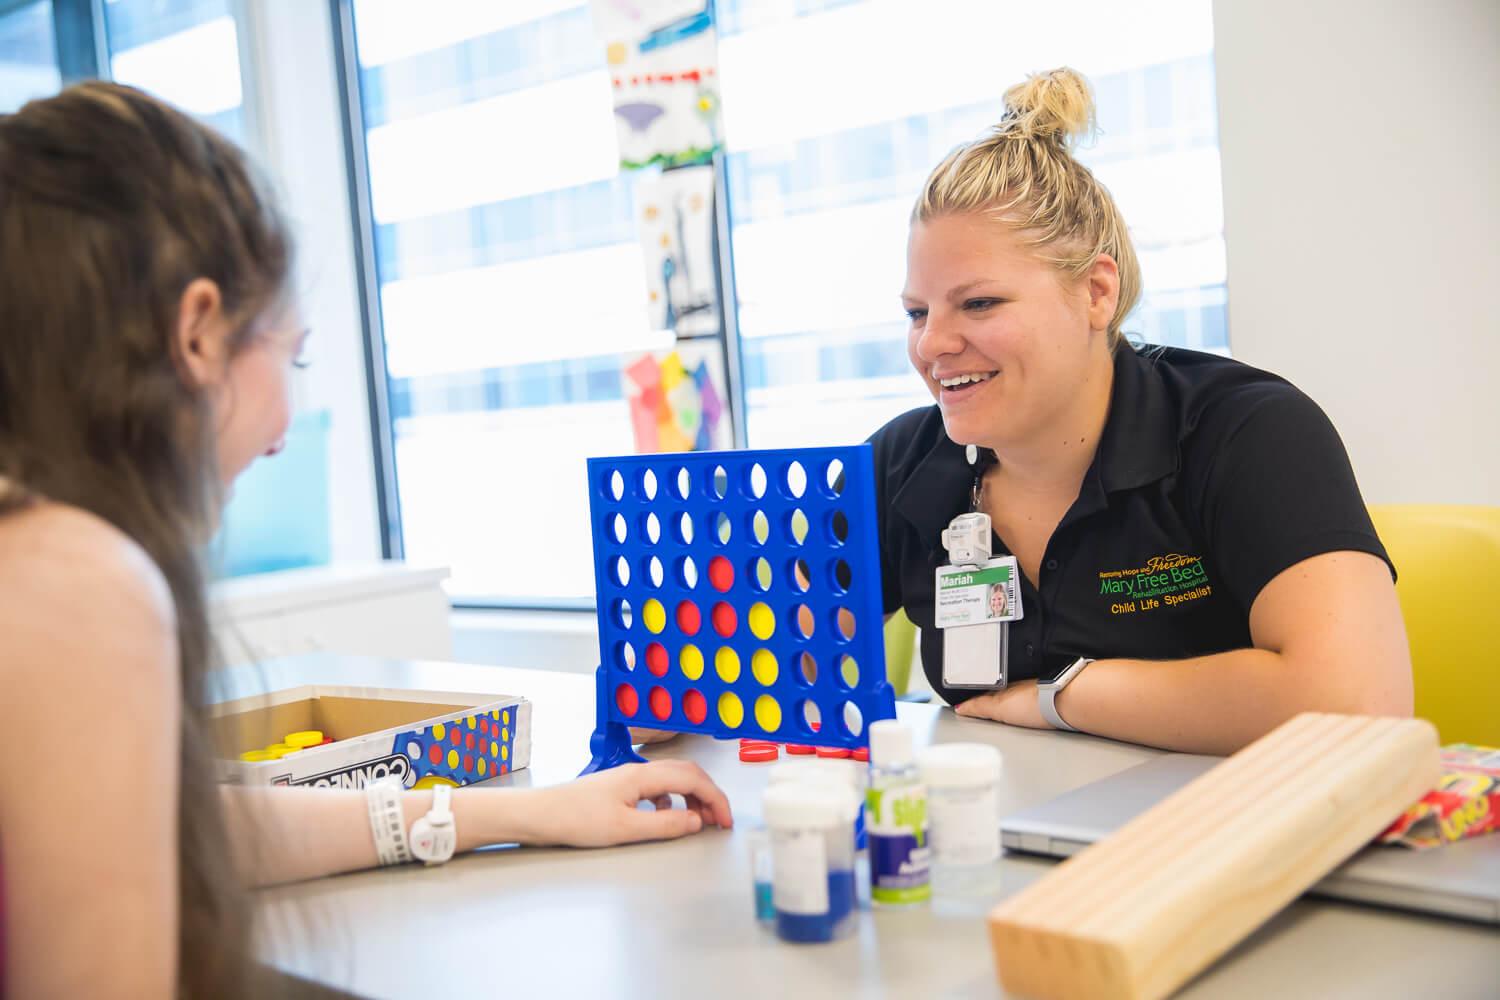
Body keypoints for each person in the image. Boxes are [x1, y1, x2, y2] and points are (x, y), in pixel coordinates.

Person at [0, 83, 731, 999]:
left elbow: (168, 826)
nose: (283, 428)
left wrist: (520, 812)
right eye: (292, 356)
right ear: (195, 334)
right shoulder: (76, 584)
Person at [872, 67, 1412, 755]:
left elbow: (1360, 705)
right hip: (1004, 837)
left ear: (1098, 293)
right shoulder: (904, 464)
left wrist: (1062, 697)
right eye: (917, 312)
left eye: (979, 304)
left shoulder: (1247, 433)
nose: (931, 344)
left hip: (1239, 832)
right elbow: (757, 656)